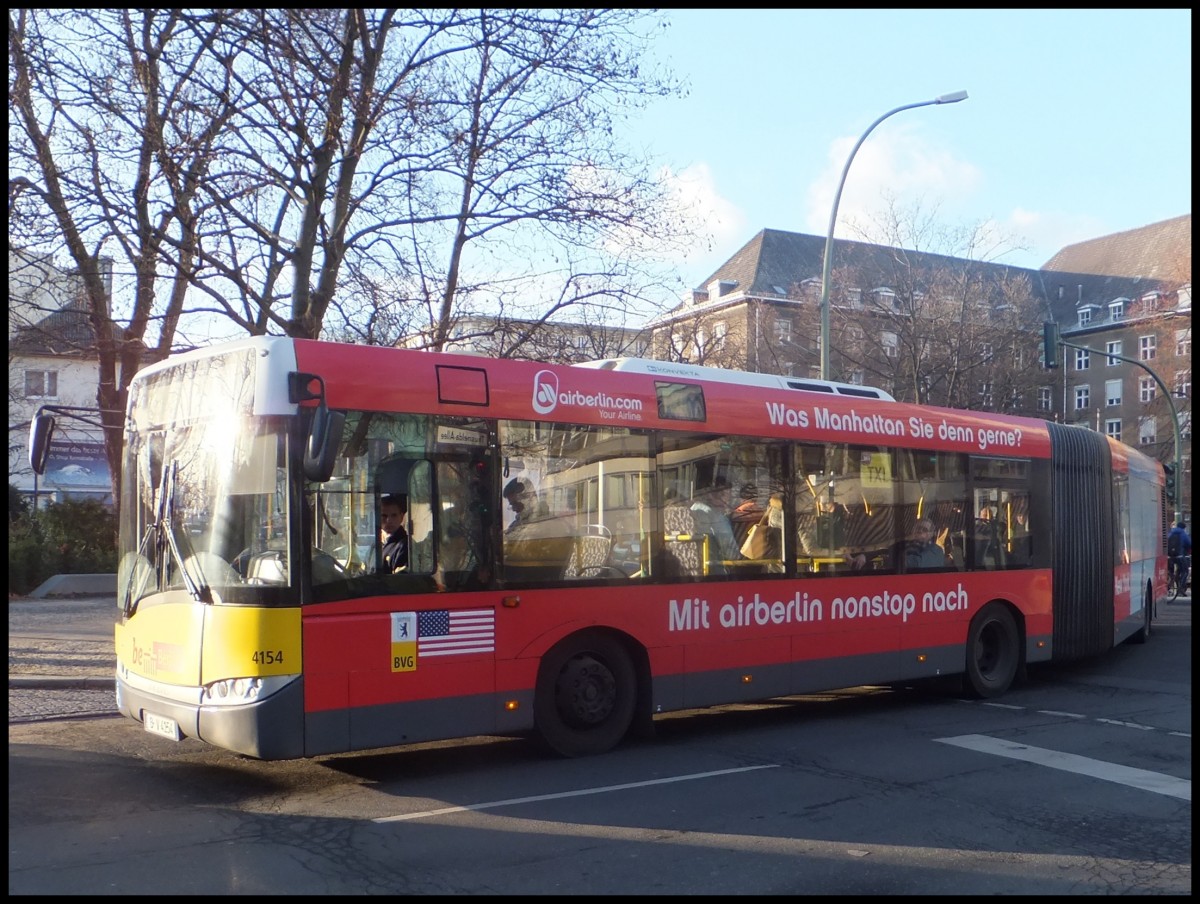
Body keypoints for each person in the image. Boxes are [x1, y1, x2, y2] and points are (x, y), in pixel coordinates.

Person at [690, 476, 740, 573]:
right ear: (712, 495)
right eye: (726, 496)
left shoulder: (692, 509)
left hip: (693, 570)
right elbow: (732, 554)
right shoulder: (717, 517)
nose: (728, 502)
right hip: (713, 572)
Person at [379, 494, 409, 573]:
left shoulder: (405, 546)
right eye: (384, 516)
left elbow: (399, 581)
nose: (389, 520)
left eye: (394, 515)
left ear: (401, 517)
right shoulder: (374, 546)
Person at [730, 483, 765, 548]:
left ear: (741, 496)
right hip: (759, 553)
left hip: (736, 554)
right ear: (757, 497)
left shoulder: (734, 515)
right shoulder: (764, 515)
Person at [1167, 521, 1192, 593]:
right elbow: (1189, 544)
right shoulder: (1183, 534)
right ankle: (1181, 587)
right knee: (1185, 571)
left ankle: (1171, 582)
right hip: (1179, 556)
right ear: (1184, 528)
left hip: (1170, 556)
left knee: (1172, 571)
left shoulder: (1170, 533)